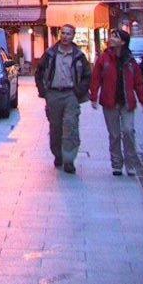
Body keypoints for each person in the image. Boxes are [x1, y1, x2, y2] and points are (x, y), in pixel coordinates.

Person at [90, 28, 143, 177]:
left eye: (115, 37)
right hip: (109, 102)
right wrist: (94, 96)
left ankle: (130, 163)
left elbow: (138, 82)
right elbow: (96, 78)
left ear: (122, 42)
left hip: (127, 103)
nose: (111, 38)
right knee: (114, 135)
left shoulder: (130, 61)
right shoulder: (104, 58)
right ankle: (116, 164)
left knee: (128, 131)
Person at [35, 24, 91, 174]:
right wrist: (43, 92)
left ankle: (69, 159)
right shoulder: (50, 54)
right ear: (60, 34)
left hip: (71, 95)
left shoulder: (78, 55)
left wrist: (79, 91)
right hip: (53, 94)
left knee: (70, 126)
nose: (65, 36)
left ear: (73, 36)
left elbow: (87, 75)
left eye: (69, 34)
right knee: (56, 127)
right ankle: (58, 154)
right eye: (63, 33)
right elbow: (39, 72)